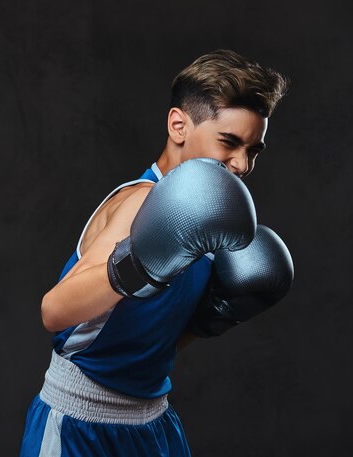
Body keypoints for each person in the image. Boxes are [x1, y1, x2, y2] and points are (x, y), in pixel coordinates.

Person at [19, 49, 293, 457]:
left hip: (153, 423)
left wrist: (211, 319)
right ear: (179, 125)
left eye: (252, 150)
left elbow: (152, 343)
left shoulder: (209, 219)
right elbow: (53, 313)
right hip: (79, 425)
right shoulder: (141, 202)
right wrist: (138, 266)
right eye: (229, 142)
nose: (241, 163)